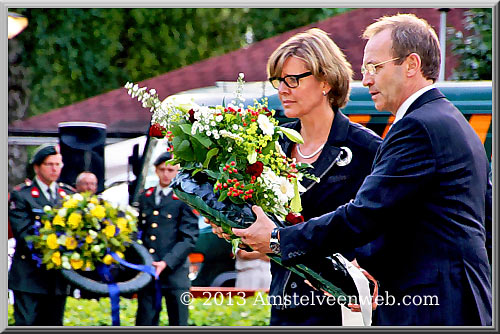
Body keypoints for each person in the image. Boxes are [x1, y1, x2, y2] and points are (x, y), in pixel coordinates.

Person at [233, 14, 492, 326]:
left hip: (431, 307)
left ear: (411, 65)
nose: (366, 79)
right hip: (455, 300)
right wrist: (363, 265)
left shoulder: (417, 127)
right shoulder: (451, 121)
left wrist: (277, 240)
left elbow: (364, 215)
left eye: (375, 67)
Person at [213, 28, 382, 325]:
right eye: (279, 80)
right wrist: (239, 233)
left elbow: (383, 229)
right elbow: (272, 232)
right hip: (284, 306)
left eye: (293, 79)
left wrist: (359, 268)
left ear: (326, 82)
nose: (283, 89)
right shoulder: (272, 148)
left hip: (343, 309)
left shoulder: (367, 149)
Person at [8, 144, 75, 325]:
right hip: (29, 277)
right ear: (37, 167)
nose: (54, 169)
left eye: (58, 164)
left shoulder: (67, 195)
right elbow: (24, 233)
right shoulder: (23, 195)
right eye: (49, 164)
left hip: (57, 279)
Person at [135, 151, 199, 326]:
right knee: (145, 320)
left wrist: (166, 262)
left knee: (178, 321)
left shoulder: (185, 198)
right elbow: (139, 231)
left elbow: (189, 238)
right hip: (149, 270)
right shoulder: (144, 196)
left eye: (170, 170)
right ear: (156, 170)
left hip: (175, 272)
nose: (166, 174)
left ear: (177, 171)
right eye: (162, 169)